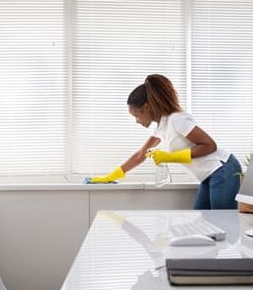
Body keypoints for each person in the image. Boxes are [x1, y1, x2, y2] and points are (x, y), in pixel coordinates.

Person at [86, 74, 241, 209]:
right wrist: (111, 176)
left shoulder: (177, 119)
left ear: (146, 108)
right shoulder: (161, 126)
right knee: (205, 223)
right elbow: (141, 154)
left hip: (222, 168)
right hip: (208, 175)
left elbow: (209, 145)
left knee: (222, 223)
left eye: (136, 116)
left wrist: (171, 157)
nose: (136, 121)